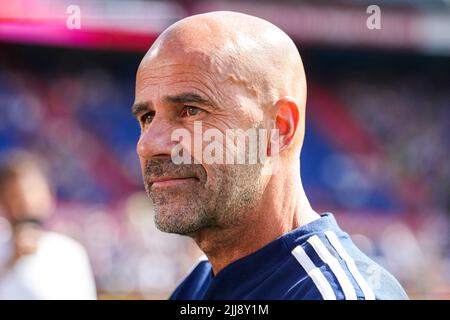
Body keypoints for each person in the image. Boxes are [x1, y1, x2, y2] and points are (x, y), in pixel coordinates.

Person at [132, 11, 408, 299]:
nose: (148, 145)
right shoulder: (195, 290)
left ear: (279, 128)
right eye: (147, 116)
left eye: (191, 111)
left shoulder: (334, 294)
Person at [0, 151, 97, 300]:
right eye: (16, 196)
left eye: (34, 193)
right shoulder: (3, 250)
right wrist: (12, 261)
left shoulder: (70, 252)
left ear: (49, 196)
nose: (26, 203)